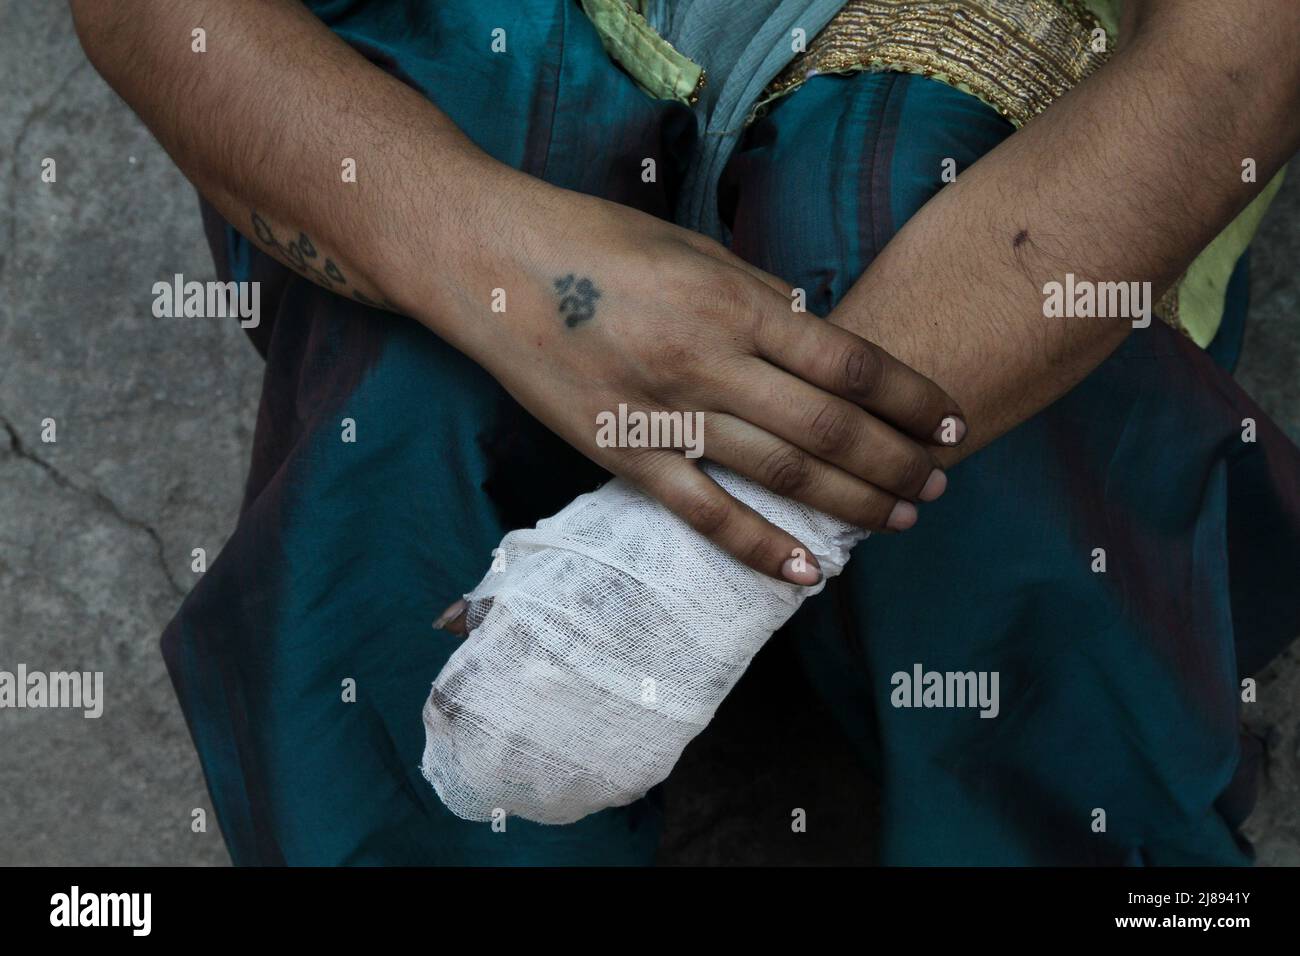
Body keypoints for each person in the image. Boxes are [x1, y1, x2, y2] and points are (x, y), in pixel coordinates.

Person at [71, 0, 1300, 865]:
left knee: (885, 238)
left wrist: (697, 555)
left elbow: (1233, 56)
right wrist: (511, 274)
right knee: (409, 408)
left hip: (956, 67)